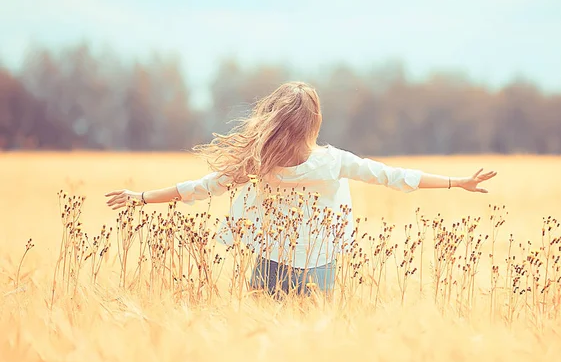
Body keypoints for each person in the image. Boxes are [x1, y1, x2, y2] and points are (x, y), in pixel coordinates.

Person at [105, 81, 496, 296]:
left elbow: (200, 188)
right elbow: (395, 177)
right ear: (315, 122)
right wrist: (457, 182)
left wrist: (139, 197)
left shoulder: (259, 162)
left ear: (273, 121)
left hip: (270, 259)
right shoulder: (335, 160)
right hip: (321, 262)